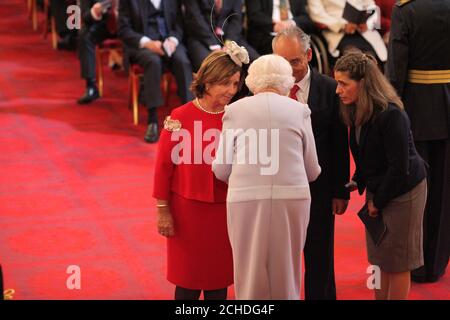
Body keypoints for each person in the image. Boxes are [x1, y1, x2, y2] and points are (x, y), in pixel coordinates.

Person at [213, 54, 321, 299]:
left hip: (245, 199)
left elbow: (221, 169)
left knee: (248, 269)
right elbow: (312, 169)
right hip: (293, 197)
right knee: (288, 269)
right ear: (286, 80)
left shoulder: (235, 110)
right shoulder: (300, 110)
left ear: (252, 80)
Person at [153, 44, 249, 300]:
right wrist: (163, 211)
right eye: (225, 83)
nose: (231, 90)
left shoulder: (237, 117)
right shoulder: (179, 117)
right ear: (206, 81)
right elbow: (163, 167)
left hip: (225, 212)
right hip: (187, 213)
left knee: (219, 281)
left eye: (235, 83)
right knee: (188, 282)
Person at [334, 51, 428, 300]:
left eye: (343, 83)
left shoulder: (392, 114)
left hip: (404, 191)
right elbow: (367, 154)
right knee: (380, 259)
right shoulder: (355, 110)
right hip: (384, 188)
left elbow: (400, 168)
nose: (338, 90)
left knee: (396, 262)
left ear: (363, 84)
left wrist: (377, 201)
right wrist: (359, 180)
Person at [272, 26, 350, 300]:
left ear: (307, 55)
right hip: (277, 190)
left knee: (320, 257)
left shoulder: (330, 89)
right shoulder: (267, 89)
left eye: (295, 61)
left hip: (318, 190)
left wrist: (341, 190)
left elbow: (340, 145)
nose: (290, 69)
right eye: (282, 62)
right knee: (281, 260)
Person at [386, 0, 450, 284]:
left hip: (416, 108)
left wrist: (390, 106)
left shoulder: (406, 9)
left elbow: (397, 65)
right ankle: (437, 262)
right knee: (445, 189)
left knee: (416, 189)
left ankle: (417, 262)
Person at [118, 0, 193, 143]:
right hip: (141, 46)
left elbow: (179, 24)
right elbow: (124, 29)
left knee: (182, 61)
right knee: (153, 62)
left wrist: (173, 40)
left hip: (168, 43)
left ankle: (189, 115)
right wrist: (147, 43)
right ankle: (152, 120)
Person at [183, 0, 259, 71]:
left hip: (230, 37)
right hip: (201, 38)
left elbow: (236, 19)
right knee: (211, 66)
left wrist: (228, 43)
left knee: (257, 63)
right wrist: (214, 45)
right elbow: (195, 18)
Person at [306, 0, 387, 62]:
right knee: (360, 59)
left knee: (381, 57)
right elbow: (317, 14)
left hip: (364, 29)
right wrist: (342, 26)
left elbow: (371, 5)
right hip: (338, 33)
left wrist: (368, 21)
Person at [77, 0, 118, 104]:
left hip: (128, 22)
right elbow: (85, 15)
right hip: (103, 24)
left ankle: (144, 85)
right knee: (84, 35)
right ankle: (91, 86)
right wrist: (95, 12)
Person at [246, 0, 316, 55]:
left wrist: (292, 22)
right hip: (268, 34)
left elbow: (305, 18)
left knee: (306, 45)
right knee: (286, 46)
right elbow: (254, 16)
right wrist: (274, 26)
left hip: (294, 32)